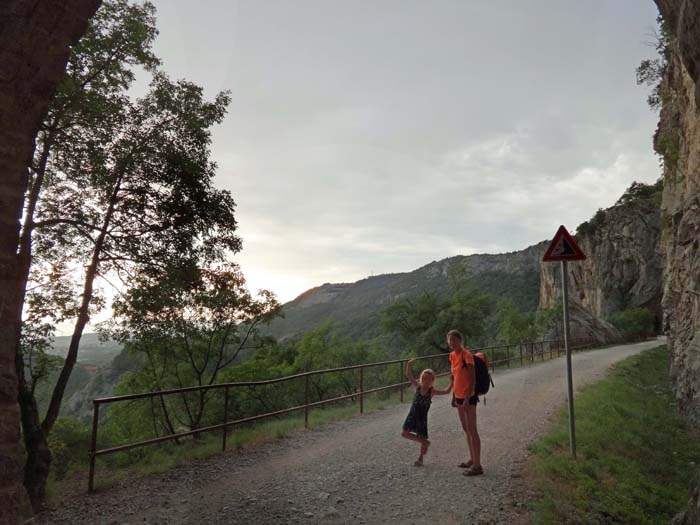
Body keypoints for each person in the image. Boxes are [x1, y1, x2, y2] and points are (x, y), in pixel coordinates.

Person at [401, 358, 453, 466]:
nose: (426, 381)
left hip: (422, 418)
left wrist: (453, 381)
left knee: (422, 437)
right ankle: (424, 442)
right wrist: (409, 365)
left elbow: (446, 391)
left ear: (432, 380)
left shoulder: (431, 391)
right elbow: (409, 376)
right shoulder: (418, 387)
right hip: (412, 415)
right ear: (422, 379)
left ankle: (420, 459)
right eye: (425, 378)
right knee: (404, 433)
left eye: (429, 379)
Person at [447, 329, 483, 476]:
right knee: (466, 428)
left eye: (453, 340)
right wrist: (454, 396)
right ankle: (472, 459)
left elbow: (472, 379)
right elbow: (455, 377)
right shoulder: (451, 356)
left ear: (459, 340)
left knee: (472, 429)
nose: (451, 342)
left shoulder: (466, 355)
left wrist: (468, 397)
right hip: (459, 396)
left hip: (469, 396)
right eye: (449, 340)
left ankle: (477, 465)